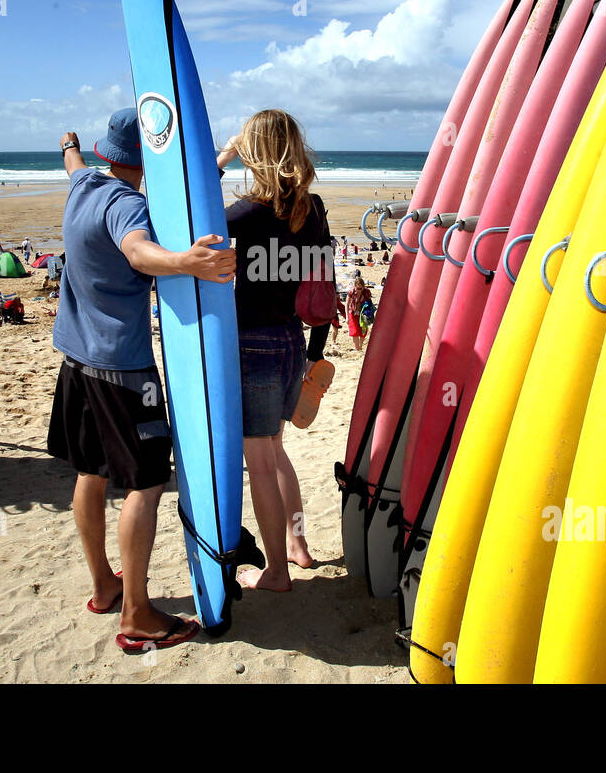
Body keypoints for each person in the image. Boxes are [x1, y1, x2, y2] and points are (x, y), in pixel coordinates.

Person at [52, 108, 235, 653]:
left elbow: (70, 160)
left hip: (75, 358)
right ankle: (136, 615)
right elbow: (136, 249)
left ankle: (105, 586)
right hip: (122, 368)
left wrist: (69, 141)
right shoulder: (127, 205)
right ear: (150, 159)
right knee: (147, 482)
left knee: (91, 470)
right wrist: (187, 262)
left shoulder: (85, 181)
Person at [216, 109, 331, 592]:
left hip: (253, 346)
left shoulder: (244, 215)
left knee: (259, 458)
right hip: (290, 342)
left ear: (254, 153)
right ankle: (298, 545)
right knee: (277, 451)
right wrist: (313, 354)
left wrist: (220, 159)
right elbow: (323, 289)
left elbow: (184, 221)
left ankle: (277, 572)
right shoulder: (316, 209)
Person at [347, 273, 372, 351]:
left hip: (363, 313)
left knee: (363, 331)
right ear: (355, 287)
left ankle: (360, 346)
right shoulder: (351, 292)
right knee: (354, 331)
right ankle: (357, 349)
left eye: (361, 289)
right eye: (358, 288)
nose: (359, 291)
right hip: (353, 313)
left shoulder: (366, 292)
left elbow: (370, 302)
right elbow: (347, 304)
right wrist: (347, 317)